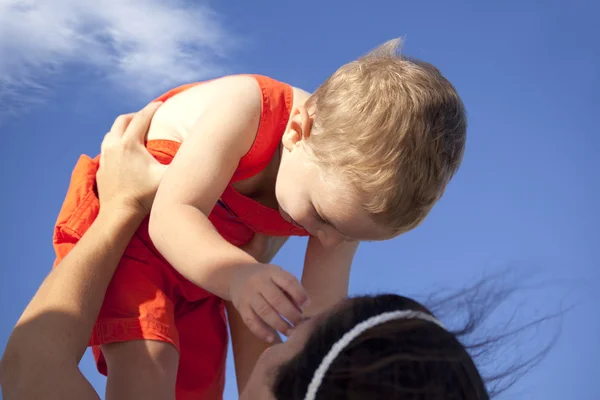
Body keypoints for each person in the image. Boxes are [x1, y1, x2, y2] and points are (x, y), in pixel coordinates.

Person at [50, 38, 467, 398]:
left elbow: (317, 318)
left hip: (205, 268)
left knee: (197, 385)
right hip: (136, 228)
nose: (327, 239)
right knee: (150, 364)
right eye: (321, 218)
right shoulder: (246, 108)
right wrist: (240, 276)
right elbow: (172, 215)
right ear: (297, 131)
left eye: (348, 235)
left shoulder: (340, 204)